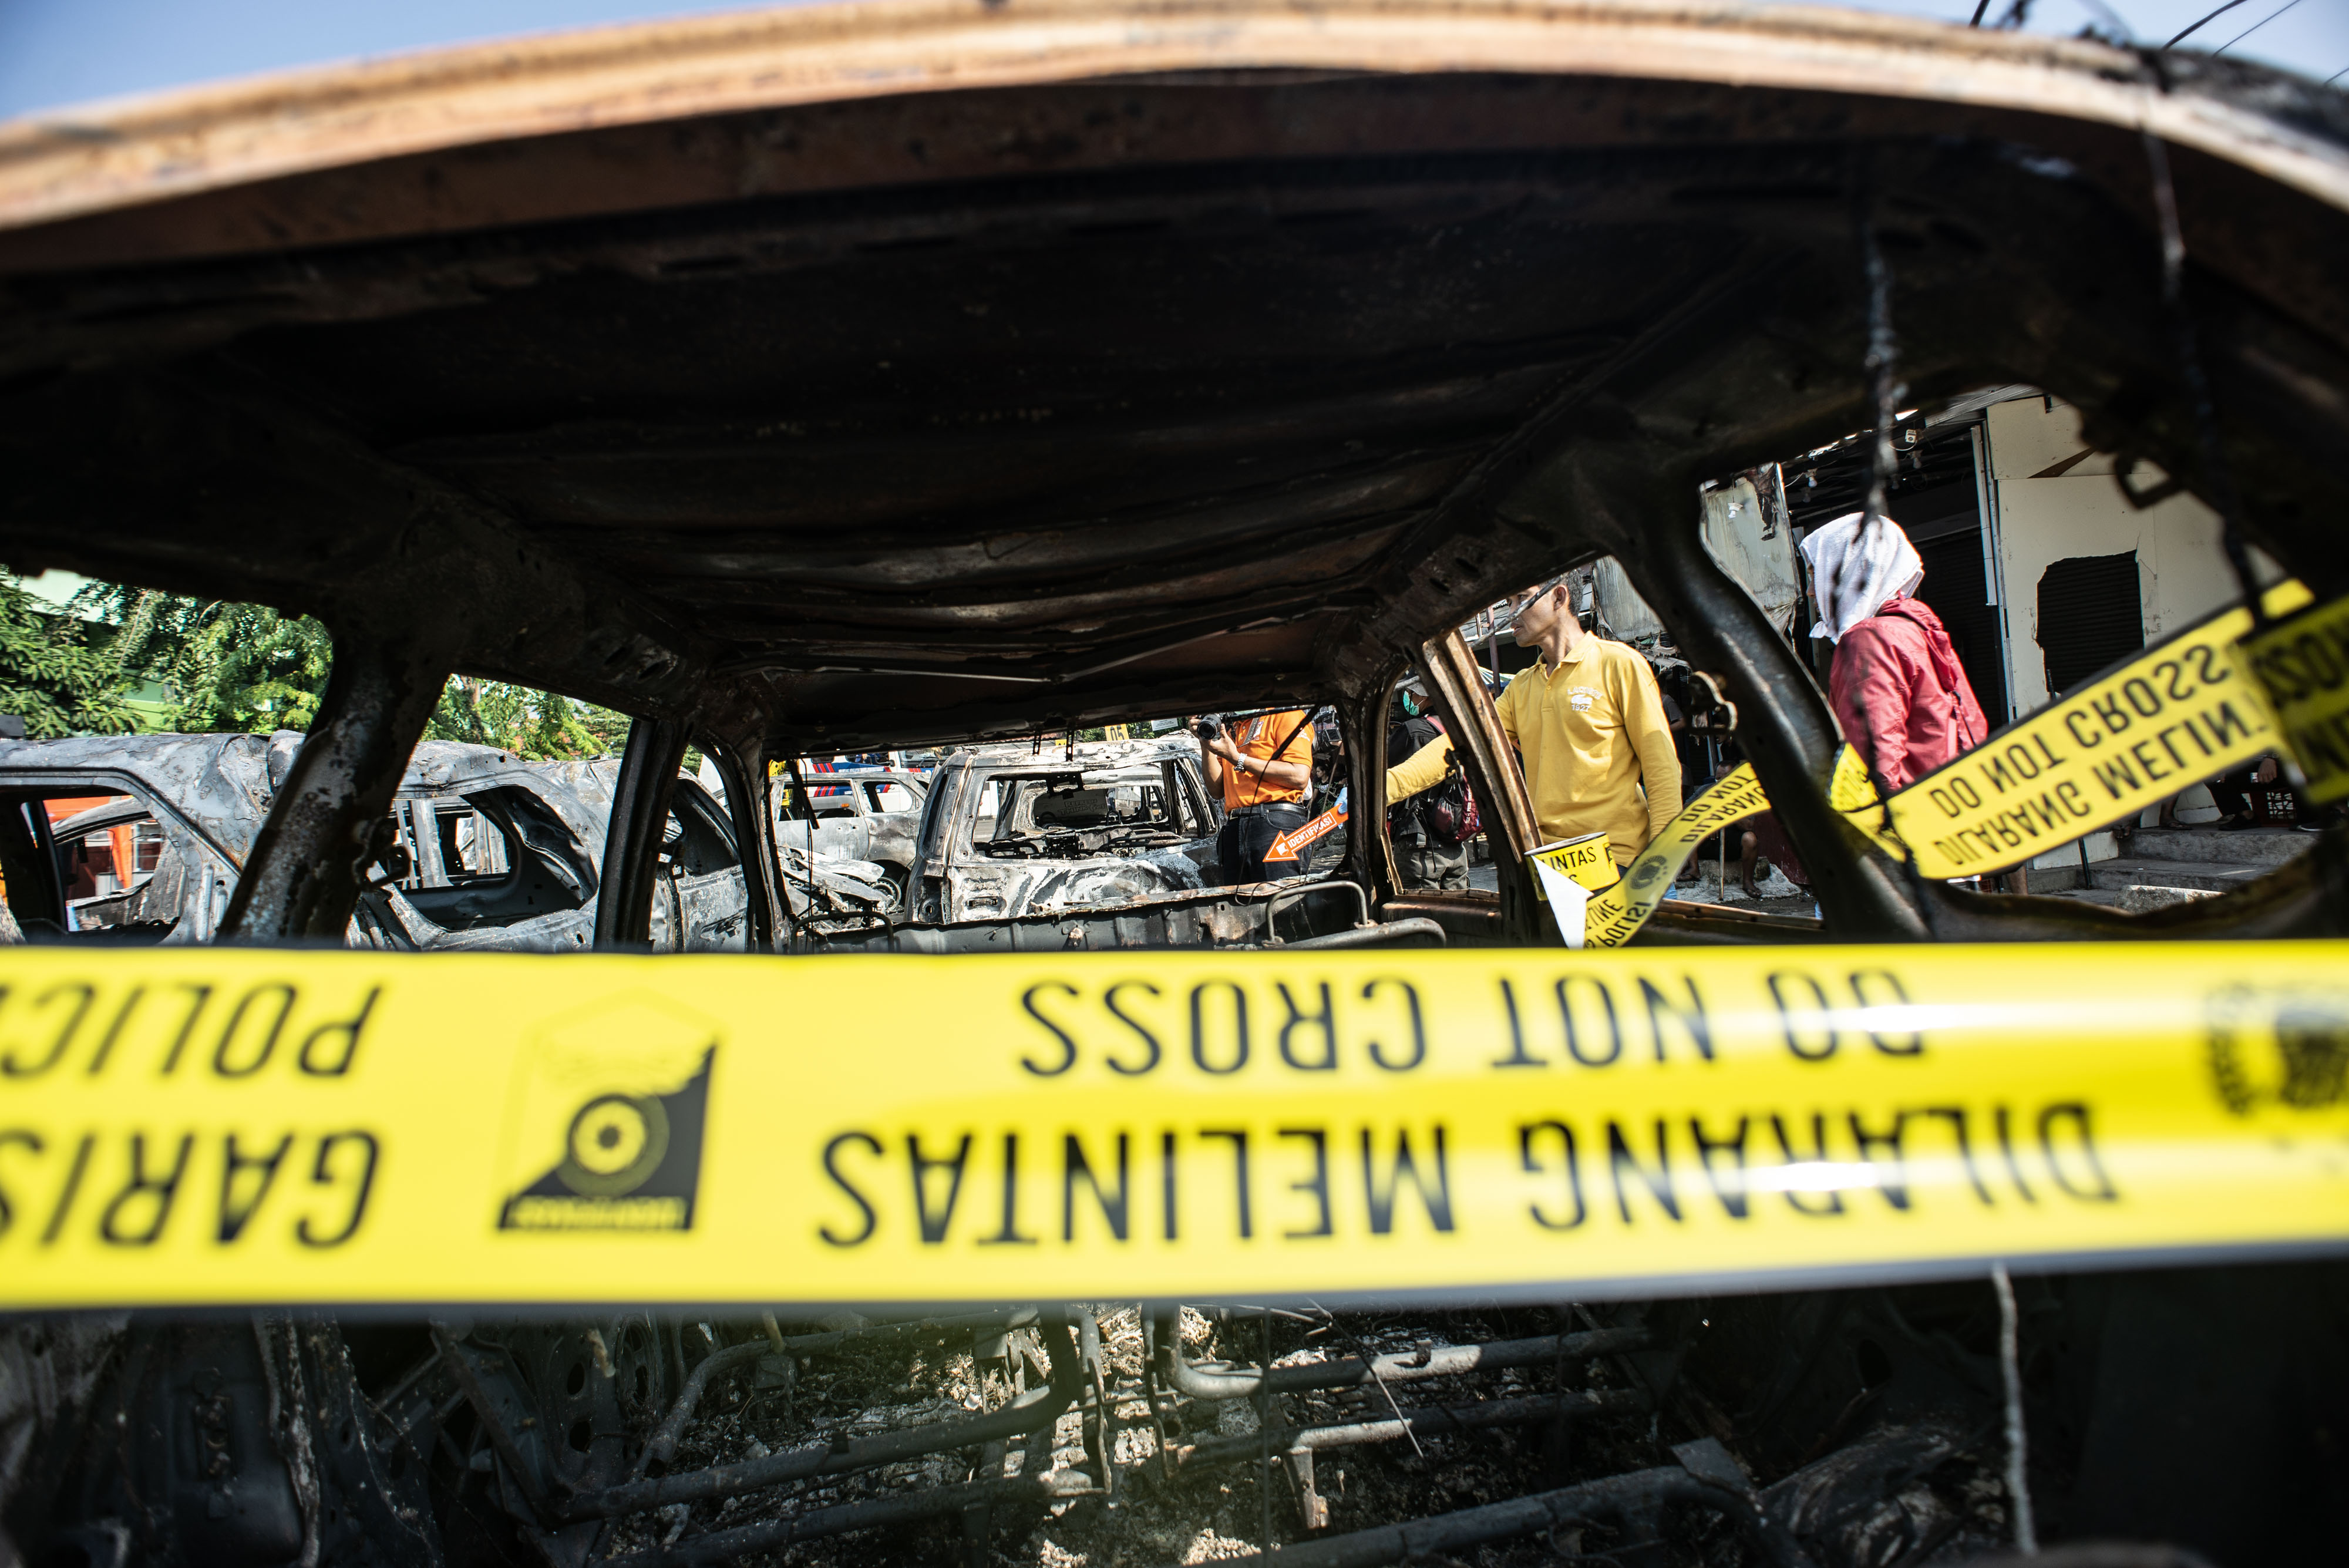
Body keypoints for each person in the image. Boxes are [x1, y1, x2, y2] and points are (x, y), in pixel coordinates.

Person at [1494, 572, 1682, 863]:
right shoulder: (1520, 687)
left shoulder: (1618, 663)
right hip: (1548, 862)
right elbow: (1462, 743)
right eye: (1508, 602)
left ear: (1559, 597)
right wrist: (1395, 783)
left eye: (1522, 598)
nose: (1511, 612)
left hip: (1618, 862)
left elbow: (1661, 767)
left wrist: (1662, 858)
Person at [1801, 512, 1988, 793]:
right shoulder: (1916, 630)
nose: (1810, 592)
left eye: (1817, 573)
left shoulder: (1868, 639)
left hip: (1907, 823)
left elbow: (1871, 765)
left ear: (1848, 571)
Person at [1197, 708, 1314, 884]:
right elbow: (1216, 790)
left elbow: (1299, 776)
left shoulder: (1286, 714)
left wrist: (1238, 758)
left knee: (1281, 905)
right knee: (1238, 909)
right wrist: (1205, 742)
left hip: (1276, 824)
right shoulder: (1232, 728)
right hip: (1235, 827)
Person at [1383, 687, 1471, 889]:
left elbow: (1381, 775)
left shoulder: (1412, 730)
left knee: (1422, 916)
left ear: (1423, 695)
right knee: (1458, 913)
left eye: (1411, 694)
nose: (1409, 699)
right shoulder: (1459, 731)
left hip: (1420, 847)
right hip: (1456, 846)